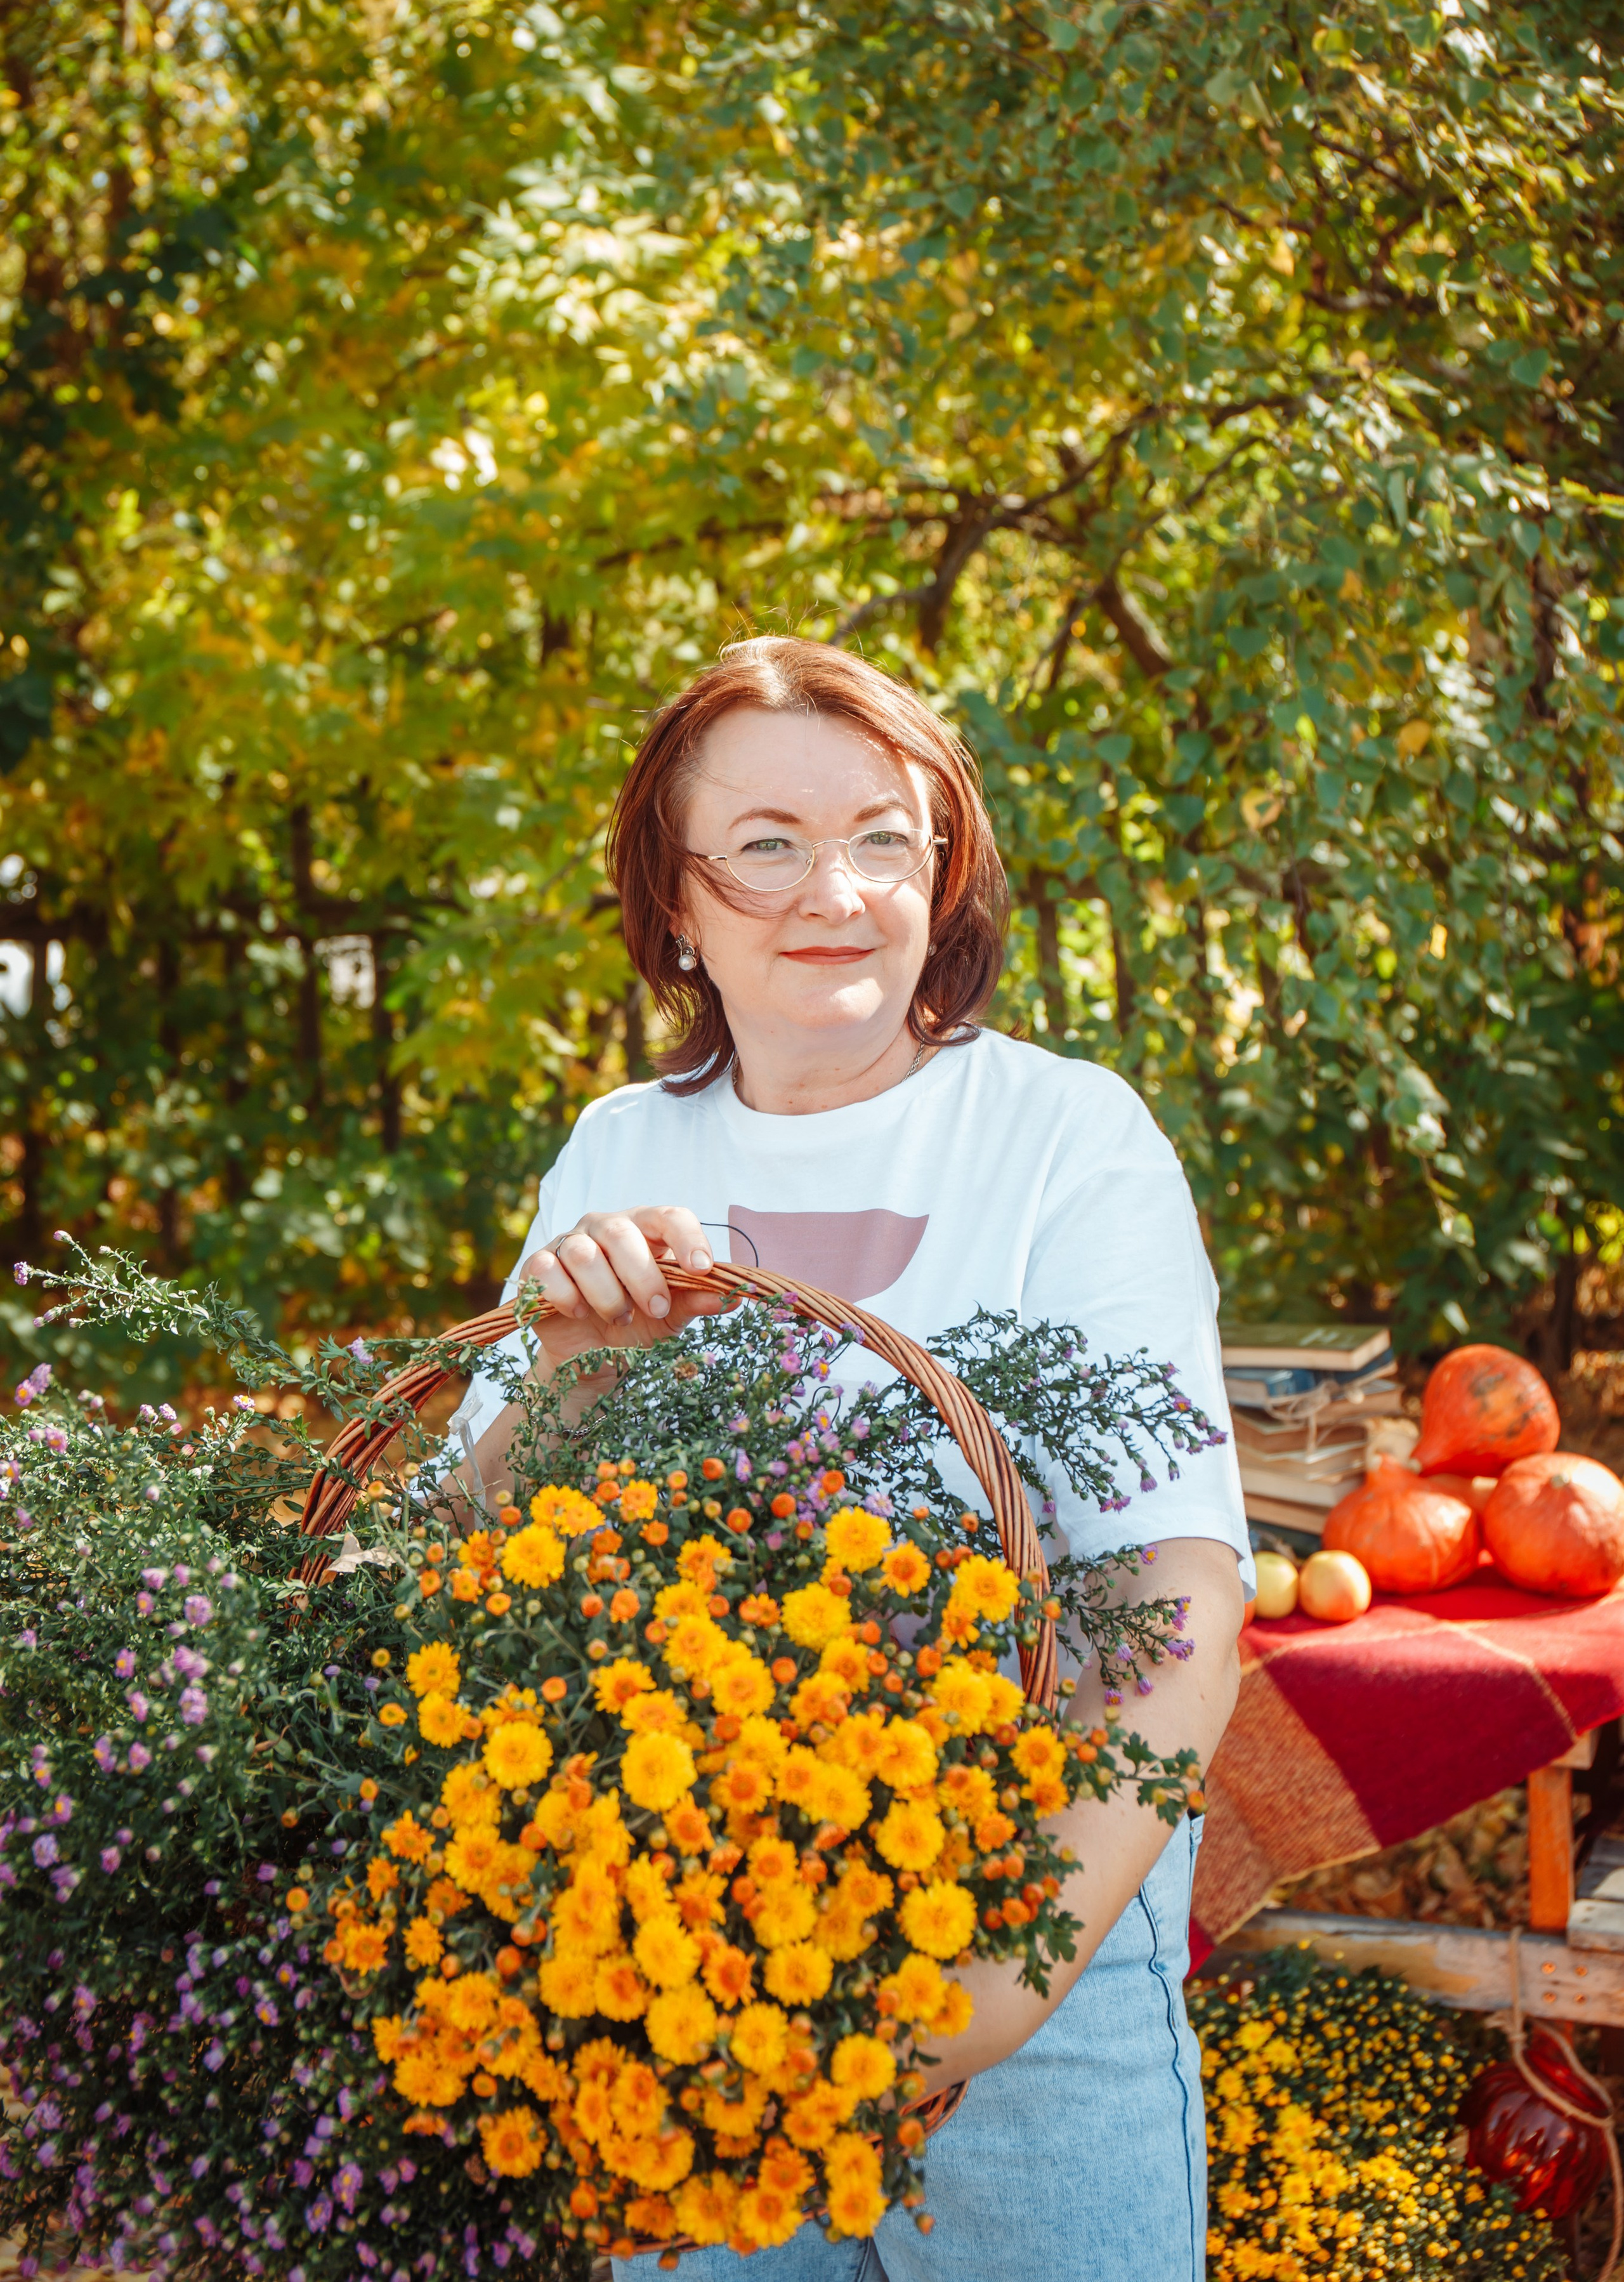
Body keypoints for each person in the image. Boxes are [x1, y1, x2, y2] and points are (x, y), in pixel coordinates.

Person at [452, 636, 1250, 2282]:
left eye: (887, 837)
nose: (837, 888)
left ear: (941, 874)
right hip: (687, 1936)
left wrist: (1003, 1986)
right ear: (671, 902)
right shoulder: (621, 1150)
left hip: (1032, 1928)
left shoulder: (1063, 1138)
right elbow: (467, 1549)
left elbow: (1175, 1585)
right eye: (765, 845)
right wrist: (575, 1384)